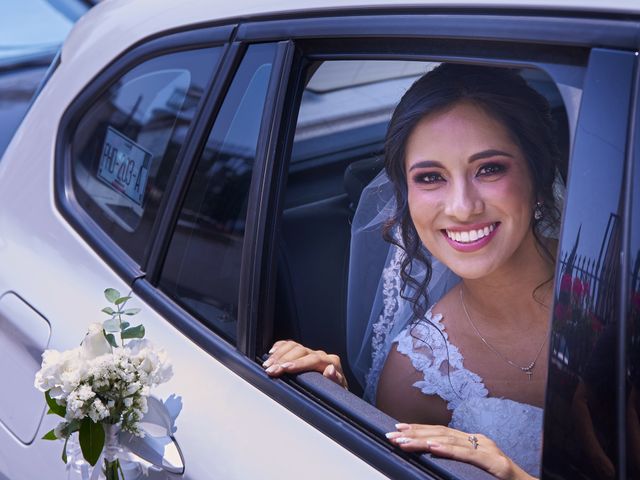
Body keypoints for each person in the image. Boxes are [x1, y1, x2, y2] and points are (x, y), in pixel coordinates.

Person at [264, 63, 563, 479]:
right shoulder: (416, 373)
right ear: (405, 193)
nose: (461, 207)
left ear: (538, 171)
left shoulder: (620, 289)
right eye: (430, 177)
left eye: (489, 168)